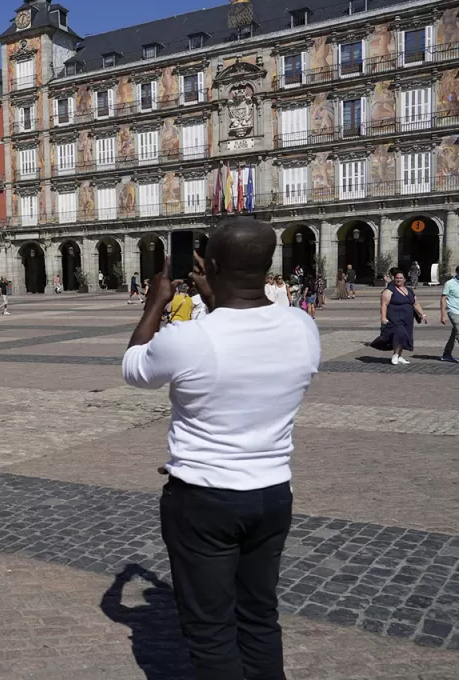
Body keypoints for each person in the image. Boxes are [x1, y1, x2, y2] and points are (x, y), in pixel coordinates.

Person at [122, 216, 321, 679]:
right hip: (272, 494)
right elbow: (244, 329)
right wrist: (217, 297)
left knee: (210, 630)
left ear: (208, 266)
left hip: (204, 498)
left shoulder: (190, 337)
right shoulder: (302, 327)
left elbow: (134, 367)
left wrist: (154, 304)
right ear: (268, 264)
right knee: (258, 616)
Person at [377, 267, 428, 366]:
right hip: (395, 317)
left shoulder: (409, 290)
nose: (399, 279)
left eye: (401, 278)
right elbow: (384, 304)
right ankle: (395, 355)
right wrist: (383, 318)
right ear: (394, 279)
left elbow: (415, 303)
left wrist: (422, 314)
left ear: (404, 279)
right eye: (397, 278)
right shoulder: (389, 290)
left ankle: (399, 356)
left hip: (407, 318)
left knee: (405, 336)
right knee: (400, 333)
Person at [442, 265, 459, 362]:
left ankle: (446, 354)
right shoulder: (449, 283)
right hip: (453, 311)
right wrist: (443, 314)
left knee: (454, 334)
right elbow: (443, 298)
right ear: (457, 272)